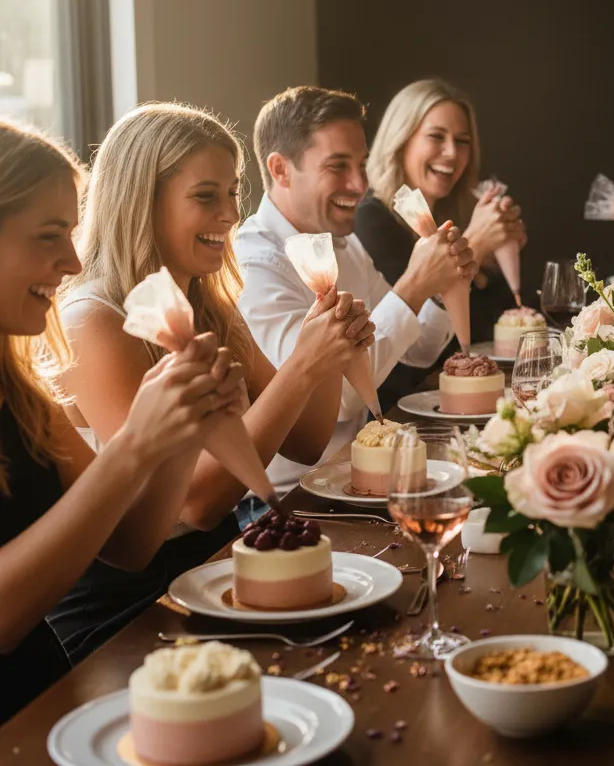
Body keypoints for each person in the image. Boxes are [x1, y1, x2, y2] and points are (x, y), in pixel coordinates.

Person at [47, 103, 375, 662]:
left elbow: (306, 441)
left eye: (232, 192)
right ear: (140, 201)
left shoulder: (210, 305)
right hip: (122, 604)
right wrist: (303, 367)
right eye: (206, 196)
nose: (229, 214)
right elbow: (191, 503)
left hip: (215, 562)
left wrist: (323, 354)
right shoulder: (92, 320)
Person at [0, 119, 240, 720]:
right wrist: (136, 445)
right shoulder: (89, 319)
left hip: (52, 700)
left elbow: (132, 544)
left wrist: (180, 429)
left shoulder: (21, 393)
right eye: (51, 236)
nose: (72, 259)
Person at [235, 85, 476, 517]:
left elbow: (418, 351)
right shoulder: (256, 266)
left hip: (355, 477)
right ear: (280, 169)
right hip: (287, 505)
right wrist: (414, 285)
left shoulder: (340, 243)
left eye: (361, 165)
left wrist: (441, 289)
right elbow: (343, 397)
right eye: (338, 166)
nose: (360, 184)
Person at [356, 78, 526, 394]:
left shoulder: (456, 213)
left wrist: (493, 262)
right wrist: (473, 244)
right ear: (401, 140)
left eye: (462, 141)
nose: (452, 153)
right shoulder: (370, 217)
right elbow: (413, 344)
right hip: (400, 406)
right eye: (436, 137)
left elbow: (494, 321)